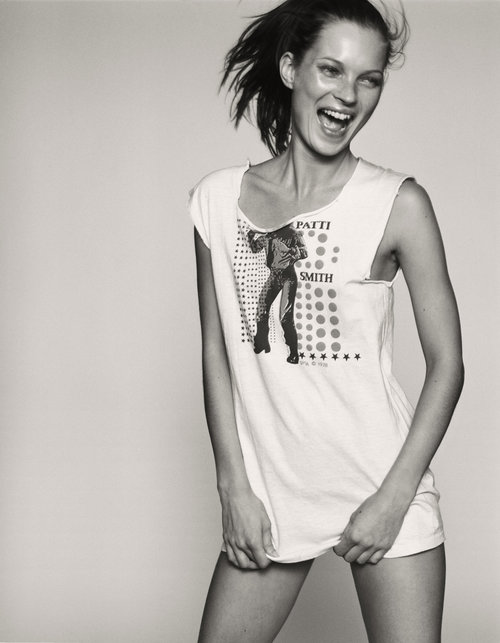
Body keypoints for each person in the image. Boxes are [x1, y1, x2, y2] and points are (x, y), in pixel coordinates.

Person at [188, 0, 464, 640]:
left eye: (369, 79)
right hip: (271, 495)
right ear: (291, 69)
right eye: (331, 70)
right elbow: (216, 351)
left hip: (383, 484)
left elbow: (448, 365)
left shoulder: (399, 203)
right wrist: (233, 487)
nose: (349, 96)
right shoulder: (216, 202)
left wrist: (393, 499)